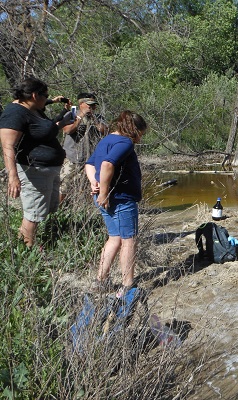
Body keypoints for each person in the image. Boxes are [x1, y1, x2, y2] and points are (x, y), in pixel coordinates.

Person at [0, 76, 71, 247]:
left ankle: (31, 242)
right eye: (45, 96)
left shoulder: (33, 108)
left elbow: (42, 129)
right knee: (33, 214)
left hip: (48, 170)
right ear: (34, 95)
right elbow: (7, 146)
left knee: (42, 211)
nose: (47, 99)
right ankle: (27, 250)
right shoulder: (14, 113)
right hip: (33, 170)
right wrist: (13, 177)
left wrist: (57, 110)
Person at [85, 111, 147, 295]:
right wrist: (103, 193)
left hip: (106, 199)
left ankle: (100, 281)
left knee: (115, 238)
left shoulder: (107, 140)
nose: (140, 139)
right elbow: (107, 165)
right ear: (133, 129)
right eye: (140, 133)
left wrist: (93, 182)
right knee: (129, 241)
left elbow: (89, 164)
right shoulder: (125, 142)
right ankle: (128, 284)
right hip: (121, 199)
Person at [60, 92, 108, 200]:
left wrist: (94, 120)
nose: (92, 107)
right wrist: (81, 116)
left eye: (94, 105)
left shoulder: (98, 117)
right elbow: (68, 130)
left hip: (90, 161)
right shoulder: (72, 114)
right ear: (81, 104)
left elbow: (105, 131)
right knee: (63, 187)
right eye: (89, 105)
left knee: (89, 187)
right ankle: (56, 212)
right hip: (72, 159)